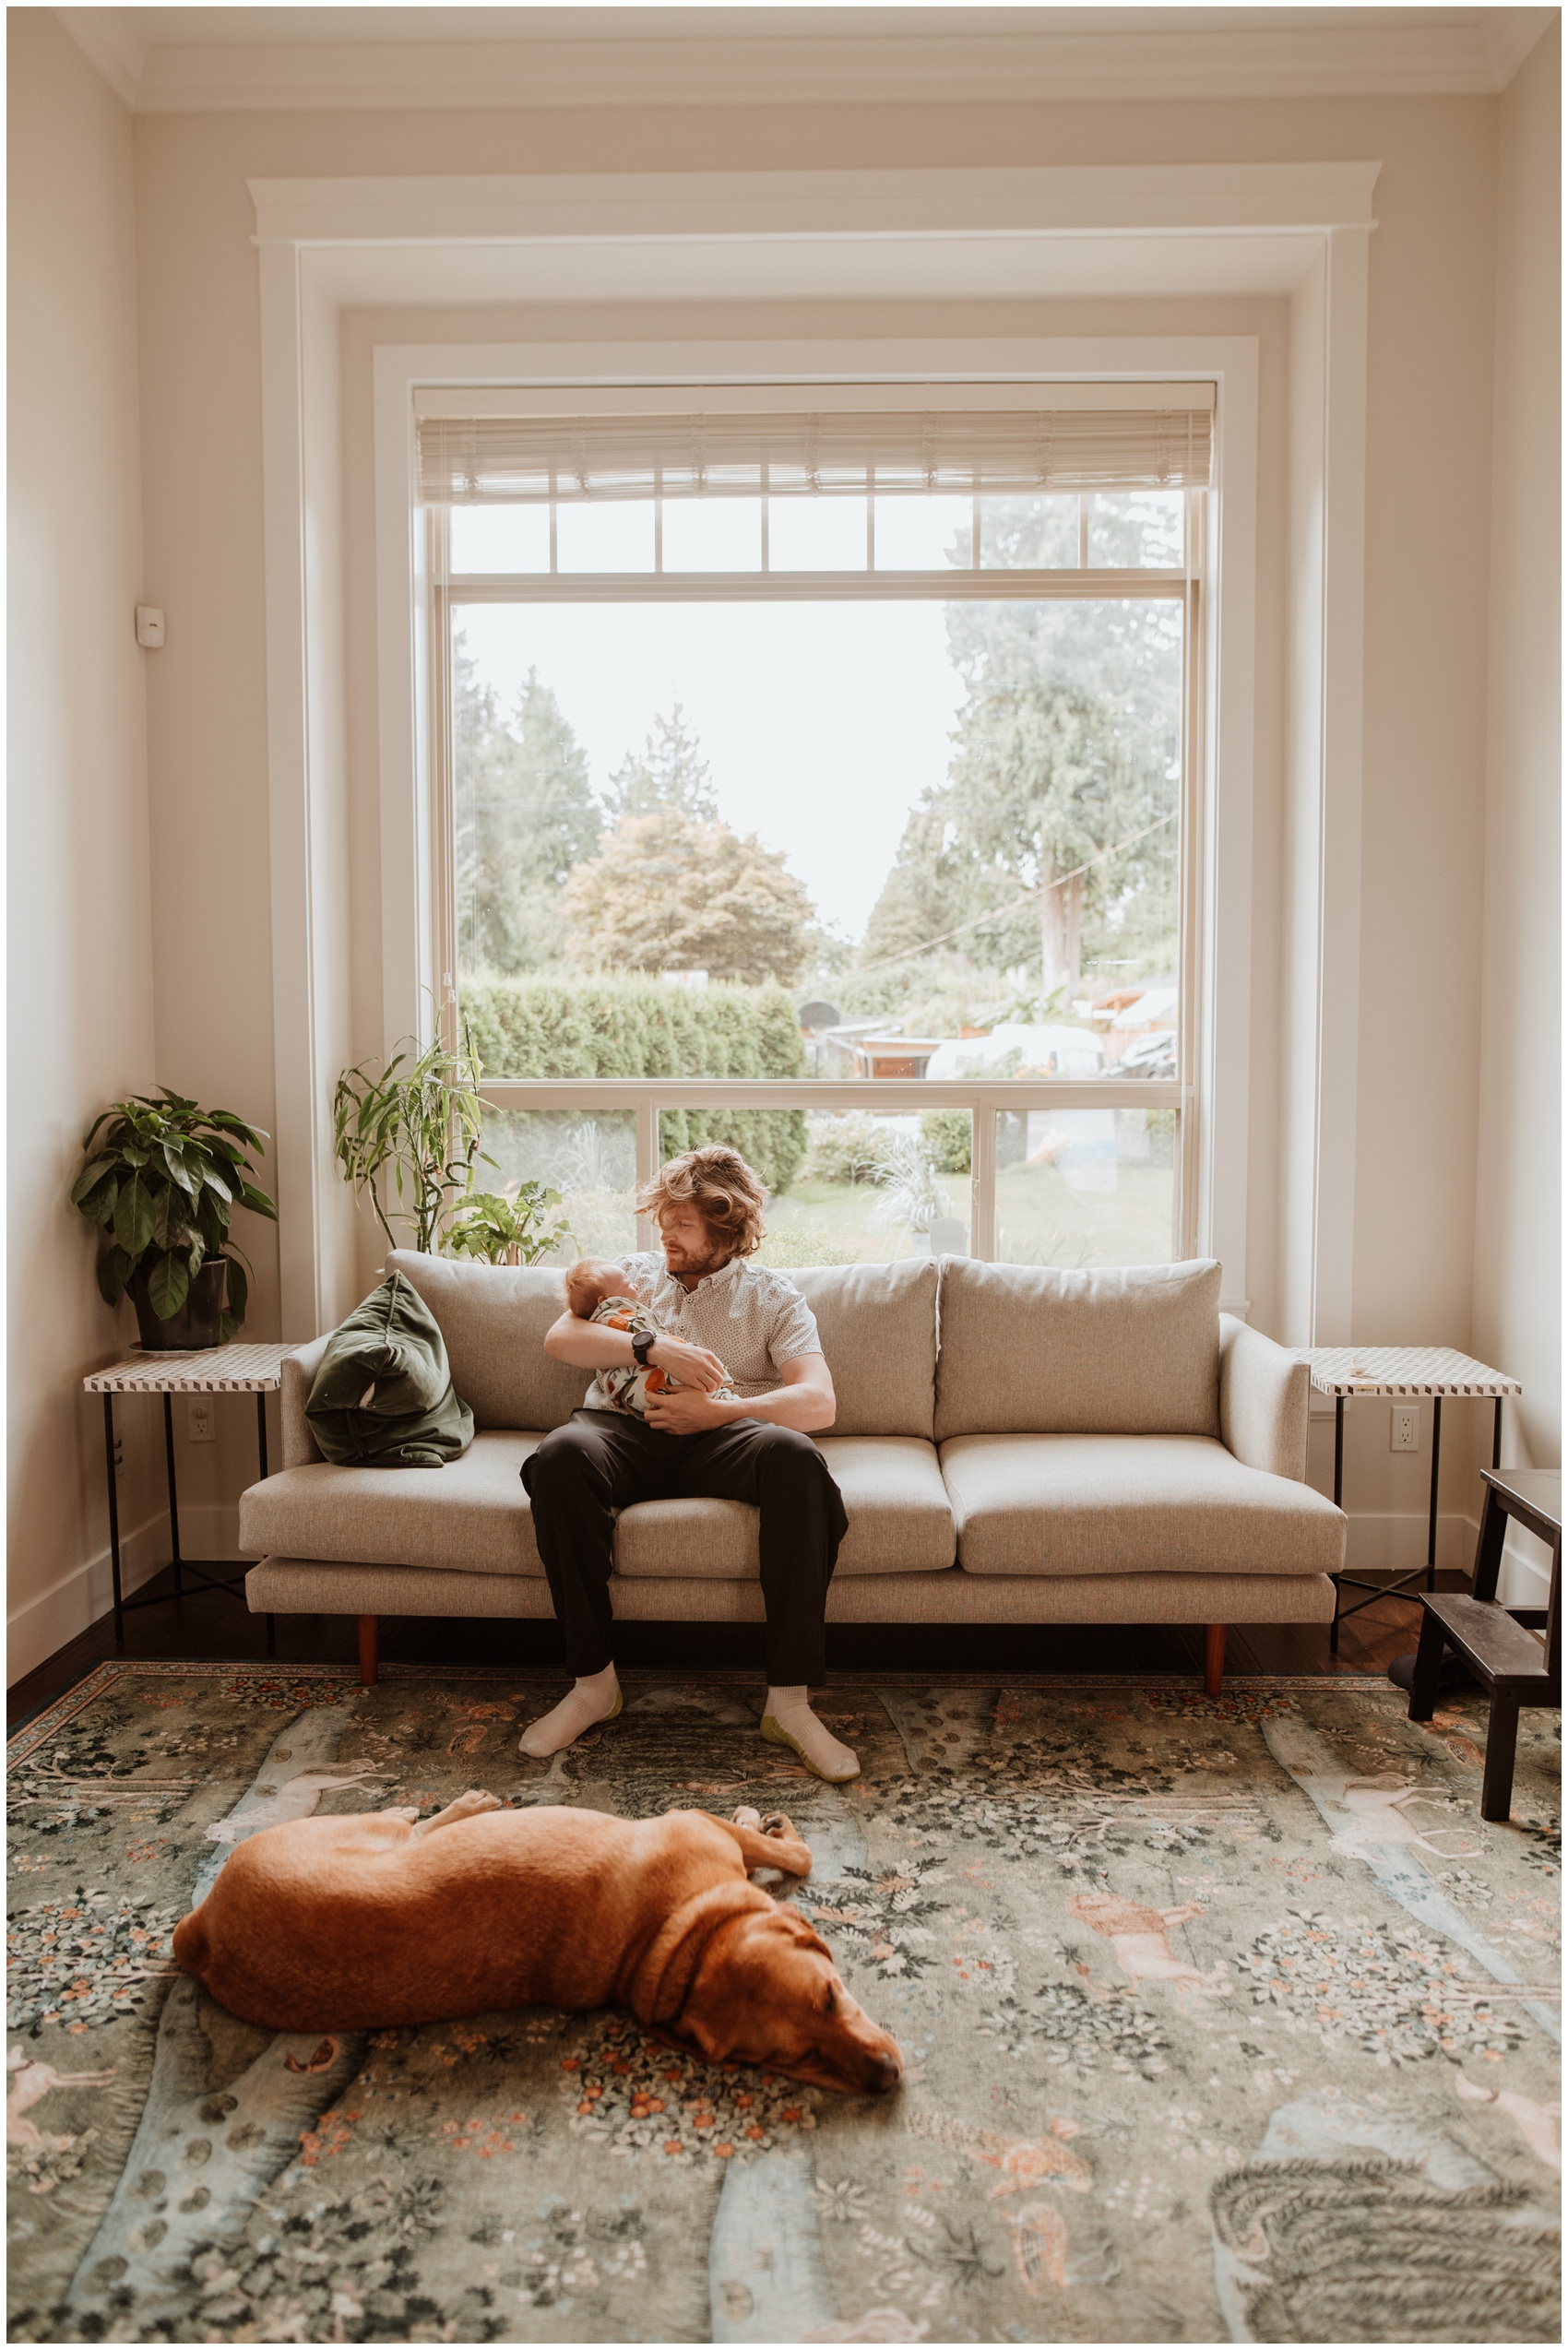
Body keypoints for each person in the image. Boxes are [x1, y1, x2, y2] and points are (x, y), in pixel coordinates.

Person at [519, 1146, 856, 1782]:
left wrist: (719, 1415)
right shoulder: (629, 1277)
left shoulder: (773, 1297)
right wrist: (651, 1347)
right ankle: (593, 1685)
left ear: (726, 1227)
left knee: (797, 1459)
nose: (665, 1234)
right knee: (560, 1455)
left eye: (682, 1224)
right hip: (622, 1430)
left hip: (722, 1437)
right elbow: (560, 1339)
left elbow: (819, 1402)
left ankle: (790, 1701)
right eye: (664, 1220)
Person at [560, 1256, 743, 1418]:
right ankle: (721, 1396)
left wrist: (718, 1412)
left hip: (702, 1420)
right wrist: (657, 1347)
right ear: (605, 1301)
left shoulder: (763, 1289)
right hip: (619, 1418)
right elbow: (556, 1339)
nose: (636, 1285)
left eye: (684, 1225)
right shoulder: (615, 1312)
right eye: (628, 1285)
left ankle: (722, 1403)